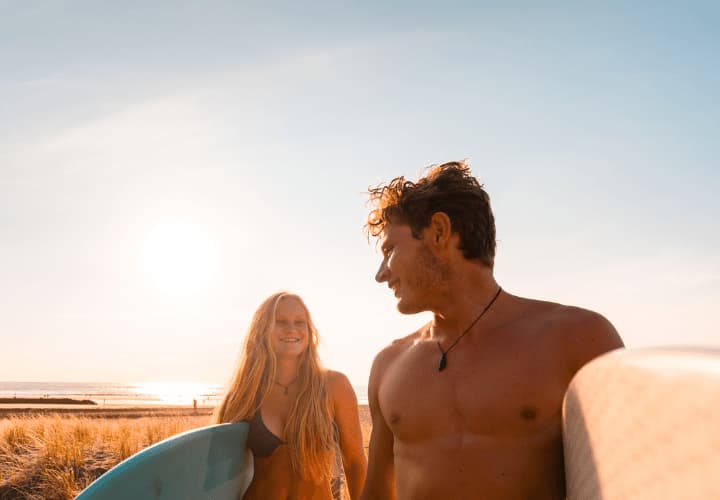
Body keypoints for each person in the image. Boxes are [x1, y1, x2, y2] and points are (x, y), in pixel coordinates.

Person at [360, 161, 624, 500]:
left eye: (390, 250)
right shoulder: (388, 365)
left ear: (439, 231)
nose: (381, 274)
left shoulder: (578, 338)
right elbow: (377, 494)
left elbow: (631, 478)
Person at [215, 291, 367, 500]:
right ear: (262, 330)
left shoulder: (334, 386)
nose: (291, 329)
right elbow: (220, 476)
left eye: (300, 322)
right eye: (280, 322)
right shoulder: (244, 395)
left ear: (309, 331)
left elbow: (355, 462)